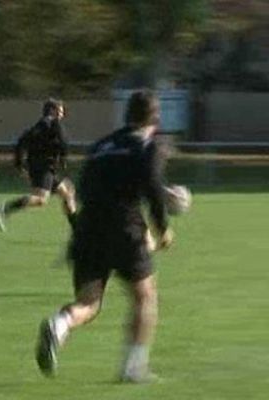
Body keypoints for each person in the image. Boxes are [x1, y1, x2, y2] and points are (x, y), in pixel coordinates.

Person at [34, 89, 174, 383]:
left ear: (126, 116)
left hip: (87, 229)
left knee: (89, 303)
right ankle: (133, 369)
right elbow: (152, 190)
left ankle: (60, 324)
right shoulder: (147, 147)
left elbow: (85, 190)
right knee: (145, 297)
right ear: (155, 118)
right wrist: (162, 230)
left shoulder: (101, 146)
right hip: (124, 228)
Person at [0, 98, 77, 232]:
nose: (62, 115)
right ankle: (6, 208)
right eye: (60, 111)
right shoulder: (53, 123)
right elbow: (63, 142)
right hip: (44, 168)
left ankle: (76, 228)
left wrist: (19, 163)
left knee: (67, 191)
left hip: (42, 167)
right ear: (52, 111)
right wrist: (63, 158)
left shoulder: (39, 125)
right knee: (41, 199)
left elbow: (22, 141)